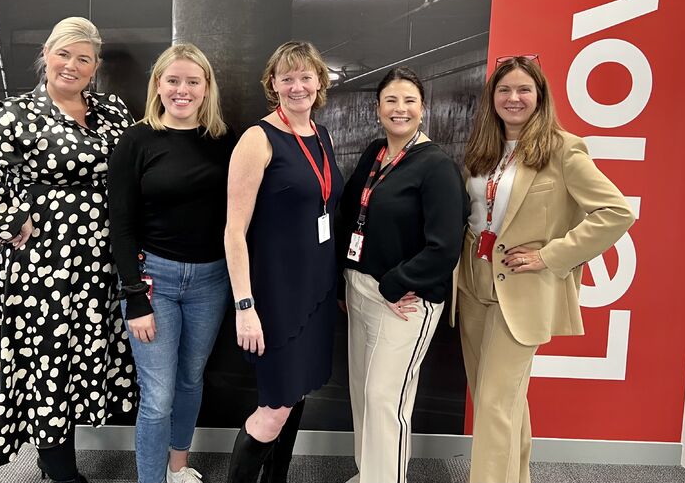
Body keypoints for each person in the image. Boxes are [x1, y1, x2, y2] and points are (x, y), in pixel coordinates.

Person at [0, 17, 136, 482]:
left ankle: (60, 459)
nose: (72, 65)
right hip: (41, 266)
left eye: (83, 58)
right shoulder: (18, 114)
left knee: (78, 354)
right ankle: (58, 469)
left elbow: (135, 163)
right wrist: (10, 220)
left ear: (95, 67)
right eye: (63, 54)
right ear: (46, 56)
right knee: (46, 358)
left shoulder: (111, 109)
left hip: (98, 263)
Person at [456, 55, 635, 483]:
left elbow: (616, 212)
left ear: (540, 96)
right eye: (504, 90)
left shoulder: (563, 148)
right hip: (473, 285)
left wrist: (550, 256)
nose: (513, 98)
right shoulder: (484, 148)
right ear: (492, 97)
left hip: (524, 289)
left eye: (523, 90)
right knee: (497, 401)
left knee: (498, 404)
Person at [108, 44, 236, 483]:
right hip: (154, 282)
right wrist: (135, 297)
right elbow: (120, 226)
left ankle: (178, 467)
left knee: (190, 380)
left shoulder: (224, 141)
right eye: (173, 80)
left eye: (192, 81)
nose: (182, 90)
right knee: (158, 395)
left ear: (206, 88)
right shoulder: (136, 139)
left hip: (212, 280)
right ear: (158, 85)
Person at [336, 67, 468, 483]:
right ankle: (368, 475)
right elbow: (350, 214)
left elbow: (444, 246)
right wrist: (349, 274)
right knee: (362, 393)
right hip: (360, 289)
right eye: (391, 100)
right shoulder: (375, 152)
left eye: (409, 100)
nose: (400, 109)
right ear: (377, 109)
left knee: (385, 399)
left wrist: (394, 283)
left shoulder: (437, 167)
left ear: (423, 109)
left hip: (405, 299)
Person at [223, 41, 343, 483]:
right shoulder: (257, 139)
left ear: (319, 82)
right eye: (286, 78)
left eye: (305, 77)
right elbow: (234, 231)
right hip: (274, 297)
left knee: (297, 395)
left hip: (315, 292)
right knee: (274, 407)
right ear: (272, 84)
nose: (297, 86)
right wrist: (245, 306)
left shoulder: (322, 134)